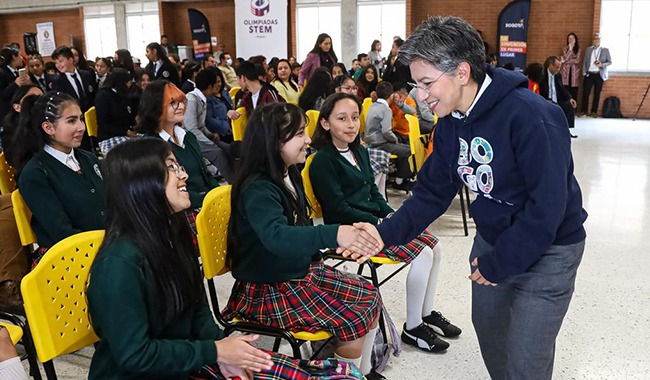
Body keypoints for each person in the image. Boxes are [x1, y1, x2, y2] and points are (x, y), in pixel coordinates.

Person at [375, 16, 587, 379]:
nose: (421, 96)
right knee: (493, 339)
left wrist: (498, 264)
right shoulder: (451, 123)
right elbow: (430, 193)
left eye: (427, 84)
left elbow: (546, 210)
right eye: (416, 84)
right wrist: (384, 234)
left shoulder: (533, 117)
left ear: (461, 72)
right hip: (492, 243)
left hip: (549, 252)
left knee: (525, 360)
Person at [87, 137, 287, 379]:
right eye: (171, 167)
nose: (183, 175)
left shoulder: (173, 233)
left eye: (179, 166)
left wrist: (223, 352)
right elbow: (134, 355)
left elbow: (197, 306)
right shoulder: (118, 264)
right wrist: (214, 351)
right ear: (141, 182)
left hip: (179, 365)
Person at [221, 102, 385, 380]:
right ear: (273, 142)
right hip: (267, 286)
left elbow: (300, 224)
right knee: (352, 317)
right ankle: (345, 372)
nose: (308, 140)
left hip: (294, 271)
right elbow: (278, 237)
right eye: (299, 134)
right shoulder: (257, 187)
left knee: (369, 295)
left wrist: (317, 258)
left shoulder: (289, 171)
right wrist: (335, 233)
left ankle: (357, 372)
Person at [310, 93, 461, 352]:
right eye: (342, 119)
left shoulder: (359, 150)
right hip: (351, 231)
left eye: (355, 118)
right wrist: (379, 221)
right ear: (325, 124)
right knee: (422, 253)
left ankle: (425, 313)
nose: (351, 125)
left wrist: (391, 216)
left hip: (373, 224)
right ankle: (412, 328)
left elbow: (373, 191)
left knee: (434, 245)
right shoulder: (323, 161)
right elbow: (338, 209)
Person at [13, 92, 106, 265]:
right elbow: (61, 232)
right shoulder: (35, 173)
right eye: (71, 121)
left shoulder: (88, 158)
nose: (81, 127)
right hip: (72, 259)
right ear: (49, 128)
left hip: (105, 247)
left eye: (80, 119)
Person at [137, 80, 220, 238]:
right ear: (156, 106)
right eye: (173, 102)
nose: (181, 106)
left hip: (205, 204)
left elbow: (206, 174)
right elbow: (165, 192)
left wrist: (218, 195)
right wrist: (208, 200)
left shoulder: (187, 137)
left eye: (181, 101)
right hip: (181, 213)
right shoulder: (151, 145)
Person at [184, 70, 234, 182]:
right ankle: (233, 183)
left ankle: (238, 177)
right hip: (190, 140)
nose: (218, 86)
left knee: (227, 148)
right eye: (215, 83)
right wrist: (209, 142)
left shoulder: (202, 98)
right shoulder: (192, 100)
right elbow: (191, 128)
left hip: (199, 135)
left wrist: (210, 135)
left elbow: (201, 126)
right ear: (210, 86)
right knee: (217, 153)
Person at [363, 81, 413, 190]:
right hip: (381, 143)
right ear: (391, 95)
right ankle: (402, 180)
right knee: (409, 151)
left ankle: (399, 177)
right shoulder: (386, 109)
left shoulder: (373, 105)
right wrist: (395, 140)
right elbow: (386, 132)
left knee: (405, 147)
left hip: (372, 141)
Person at [95, 68, 137, 155]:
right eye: (127, 82)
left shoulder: (122, 95)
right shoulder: (103, 96)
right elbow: (103, 124)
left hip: (125, 134)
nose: (130, 85)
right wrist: (125, 132)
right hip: (108, 137)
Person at [1, 84, 43, 165]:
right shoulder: (10, 129)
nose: (38, 103)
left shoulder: (49, 121)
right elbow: (14, 159)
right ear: (17, 107)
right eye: (32, 99)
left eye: (41, 98)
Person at [540, 56, 578, 138]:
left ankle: (566, 130)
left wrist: (570, 98)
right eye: (557, 67)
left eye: (559, 67)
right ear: (550, 65)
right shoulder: (542, 75)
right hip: (545, 99)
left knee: (569, 106)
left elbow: (562, 88)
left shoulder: (558, 75)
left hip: (557, 100)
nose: (558, 69)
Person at [581, 33, 611, 117]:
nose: (596, 40)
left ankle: (594, 111)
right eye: (594, 39)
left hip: (599, 74)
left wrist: (602, 64)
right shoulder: (588, 49)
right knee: (585, 92)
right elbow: (585, 61)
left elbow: (610, 62)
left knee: (597, 93)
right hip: (589, 73)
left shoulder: (605, 50)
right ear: (593, 40)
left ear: (600, 40)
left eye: (598, 39)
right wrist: (584, 72)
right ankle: (584, 110)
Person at [205, 67, 237, 142]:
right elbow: (209, 120)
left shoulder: (224, 93)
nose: (217, 85)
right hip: (223, 133)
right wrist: (228, 126)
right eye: (214, 83)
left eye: (219, 81)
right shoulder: (208, 99)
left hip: (234, 129)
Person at [0, 46, 29, 118]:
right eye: (20, 55)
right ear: (14, 57)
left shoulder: (16, 72)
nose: (22, 58)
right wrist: (15, 84)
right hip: (7, 114)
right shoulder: (2, 72)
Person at [561, 33, 581, 101]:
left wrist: (566, 61)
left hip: (574, 73)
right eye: (569, 38)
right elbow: (565, 58)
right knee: (566, 90)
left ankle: (574, 109)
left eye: (572, 38)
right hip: (566, 72)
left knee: (574, 91)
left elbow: (577, 60)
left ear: (575, 40)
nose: (571, 40)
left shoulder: (578, 49)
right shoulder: (565, 48)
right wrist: (570, 49)